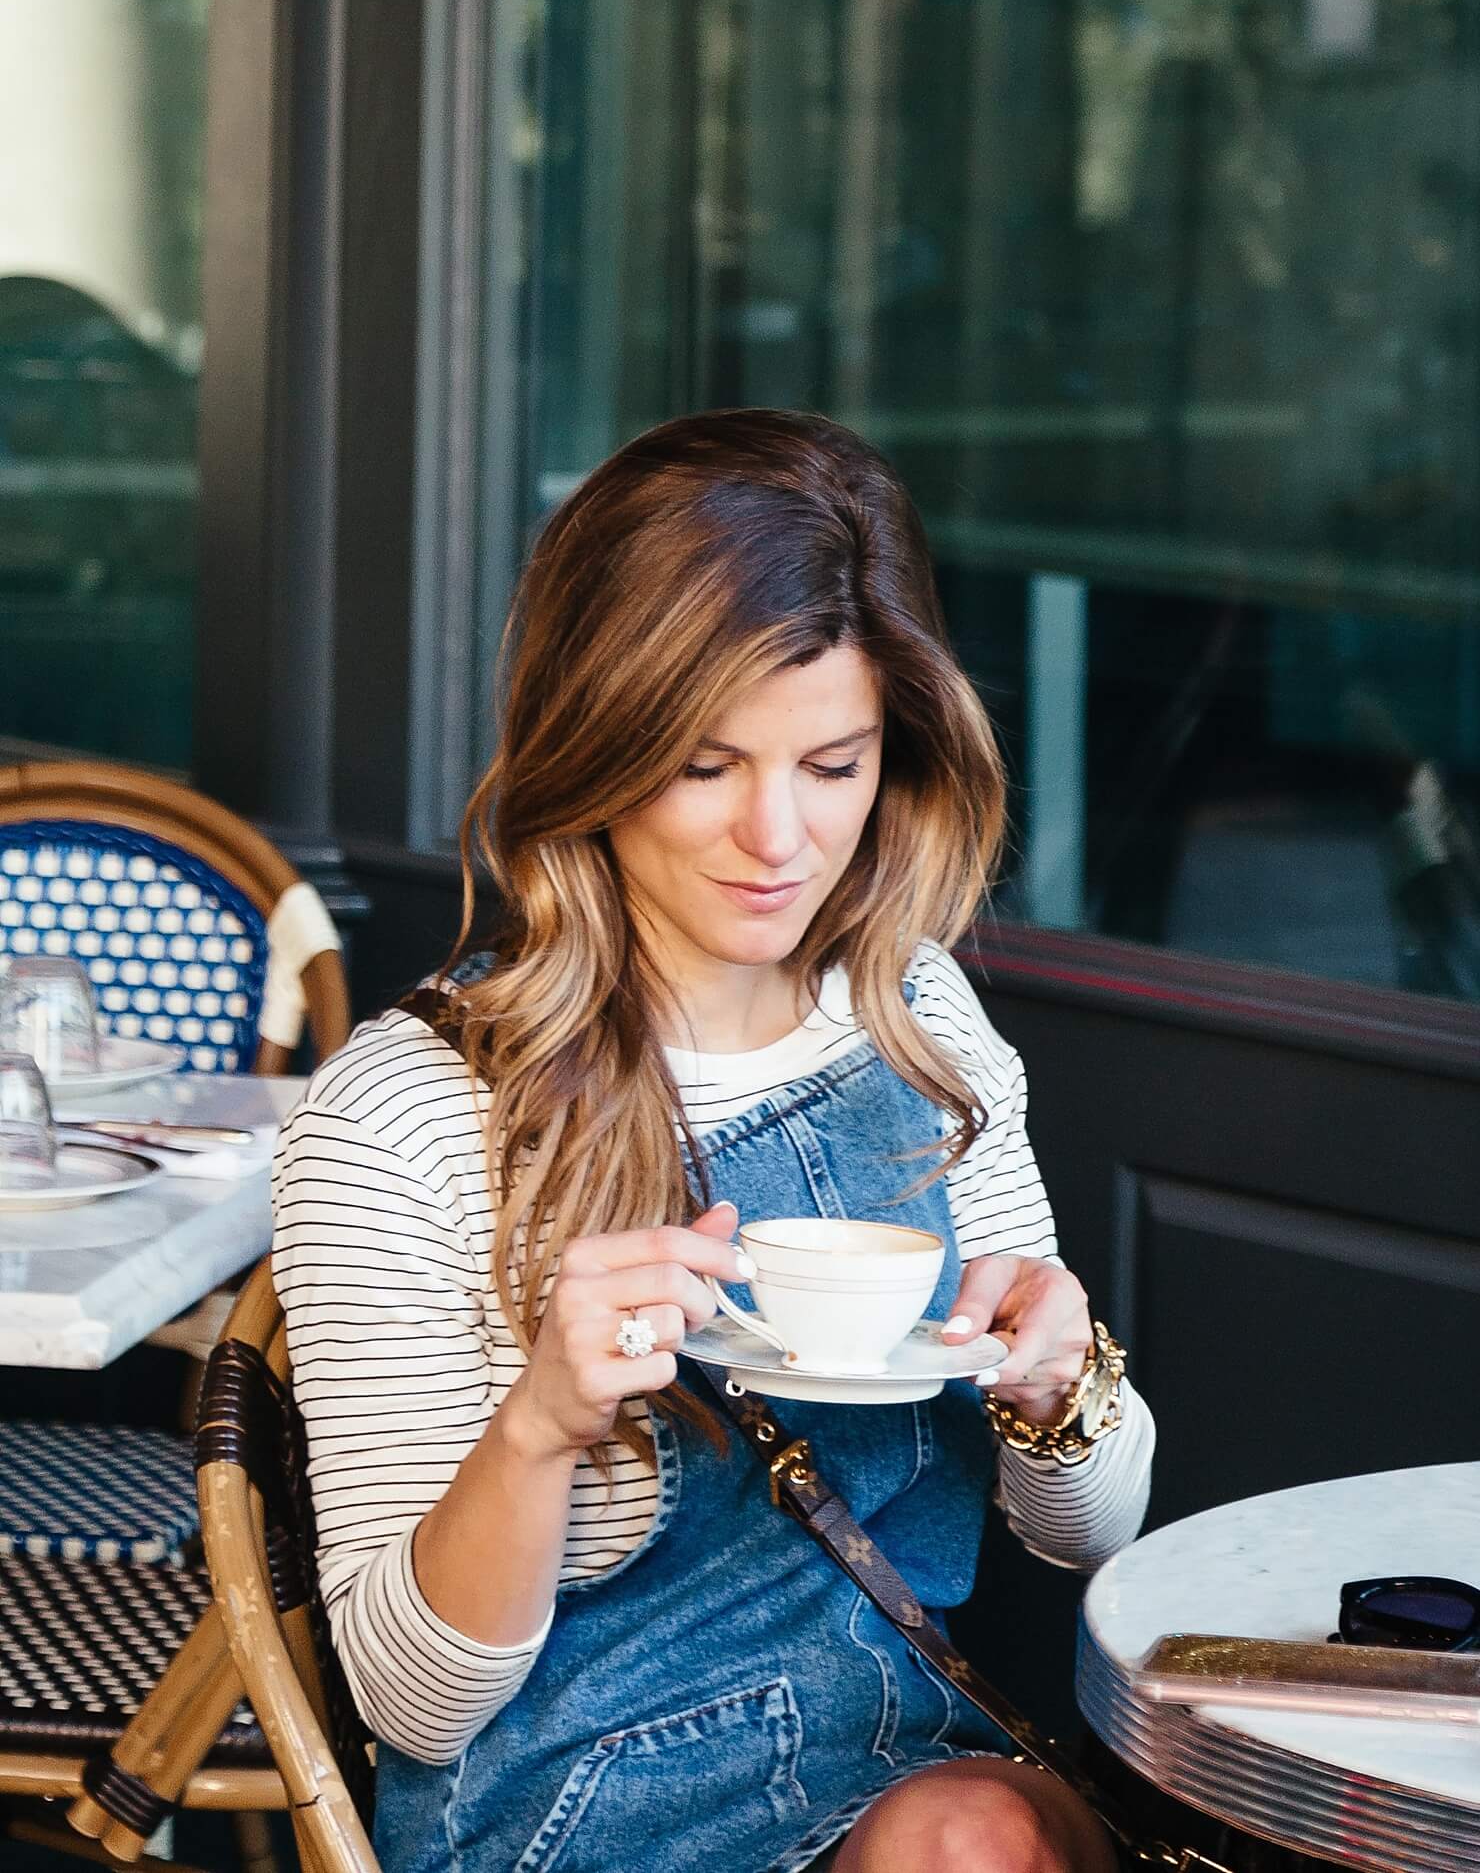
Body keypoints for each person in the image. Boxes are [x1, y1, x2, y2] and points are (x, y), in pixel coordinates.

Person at [272, 410, 1155, 1873]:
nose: (778, 839)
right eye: (703, 764)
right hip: (568, 1812)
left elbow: (1085, 1534)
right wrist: (543, 1425)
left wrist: (1061, 1383)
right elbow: (412, 1706)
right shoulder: (407, 1111)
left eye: (833, 765)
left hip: (902, 1764)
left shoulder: (916, 1018)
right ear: (596, 749)